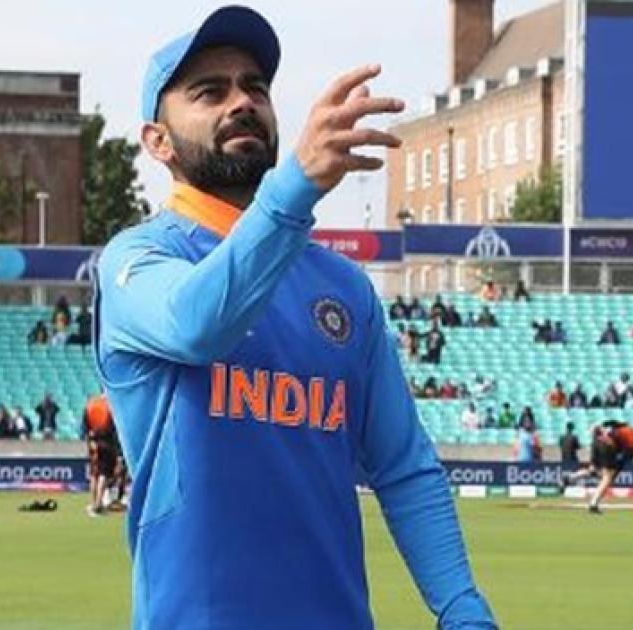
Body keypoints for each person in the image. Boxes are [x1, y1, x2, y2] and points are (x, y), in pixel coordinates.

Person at [92, 8, 493, 628]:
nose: (241, 102)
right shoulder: (138, 259)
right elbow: (197, 325)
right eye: (210, 91)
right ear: (158, 141)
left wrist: (464, 610)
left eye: (255, 87)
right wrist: (294, 188)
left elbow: (404, 468)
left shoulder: (343, 286)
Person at [83, 394, 118, 517]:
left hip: (93, 443)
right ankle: (98, 503)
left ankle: (94, 503)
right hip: (107, 443)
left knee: (94, 474)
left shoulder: (90, 405)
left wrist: (90, 439)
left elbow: (85, 427)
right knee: (104, 474)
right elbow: (113, 428)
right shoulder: (111, 406)